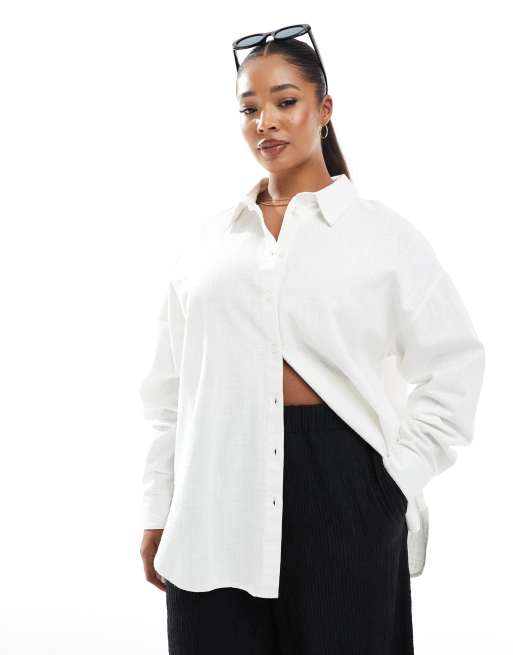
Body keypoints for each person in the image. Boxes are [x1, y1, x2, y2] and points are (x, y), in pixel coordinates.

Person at [139, 25, 485, 655]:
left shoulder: (383, 237)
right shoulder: (208, 244)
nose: (265, 121)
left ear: (324, 109)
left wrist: (391, 484)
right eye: (249, 108)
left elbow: (455, 365)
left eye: (285, 101)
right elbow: (170, 395)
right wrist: (157, 506)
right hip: (213, 493)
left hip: (344, 486)